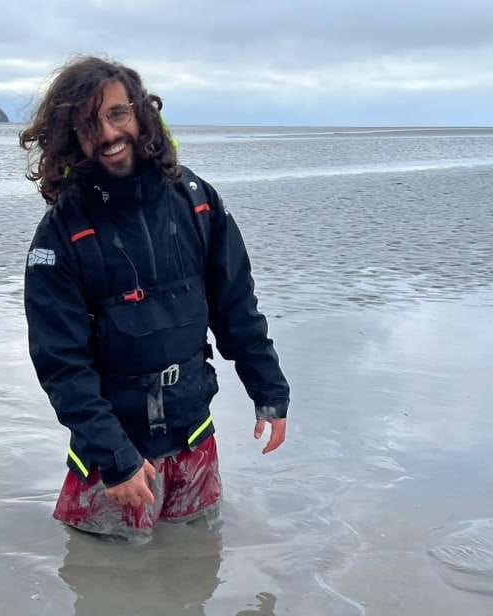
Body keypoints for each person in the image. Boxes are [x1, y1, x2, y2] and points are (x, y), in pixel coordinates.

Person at [20, 56, 290, 539]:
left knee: (198, 562)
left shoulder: (197, 201)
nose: (107, 134)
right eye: (88, 124)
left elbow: (236, 308)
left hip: (193, 434)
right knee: (102, 577)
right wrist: (117, 459)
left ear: (142, 113)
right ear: (68, 137)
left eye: (117, 113)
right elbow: (61, 364)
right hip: (112, 454)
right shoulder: (58, 236)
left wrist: (269, 391)